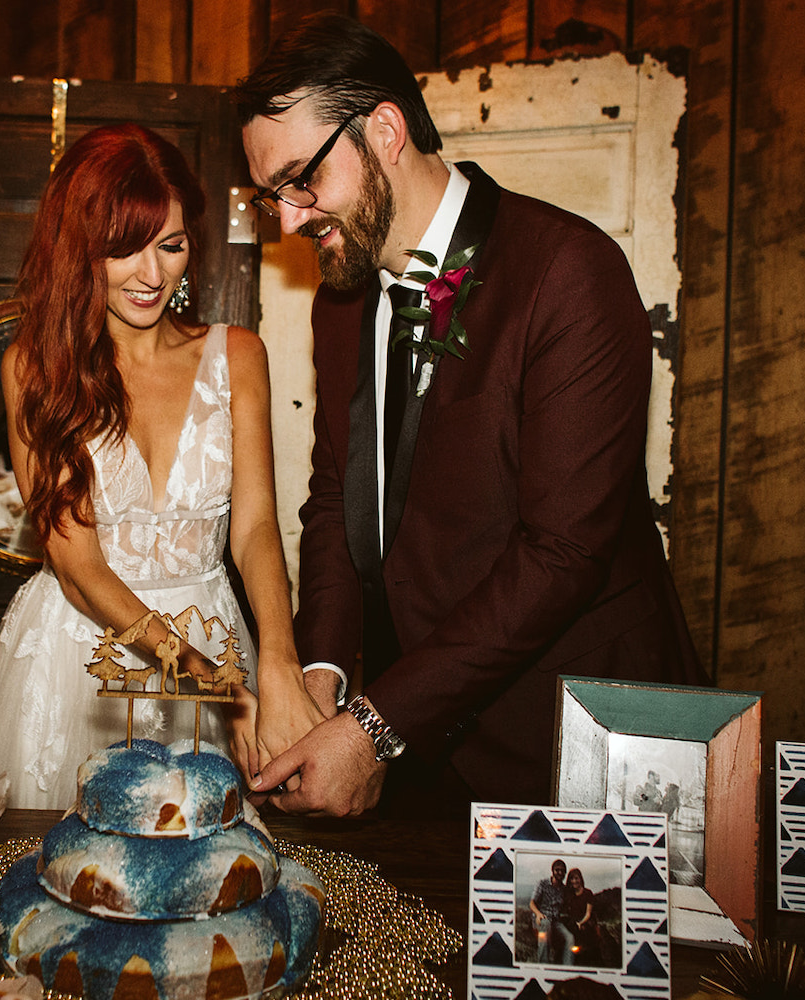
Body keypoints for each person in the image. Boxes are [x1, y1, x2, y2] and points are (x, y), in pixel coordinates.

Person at [233, 12, 705, 817]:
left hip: (568, 740)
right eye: (271, 195)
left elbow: (561, 553)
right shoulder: (338, 306)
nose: (289, 218)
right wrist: (322, 678)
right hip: (412, 744)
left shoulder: (567, 271)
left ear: (383, 128)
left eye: (301, 179)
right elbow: (333, 500)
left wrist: (372, 728)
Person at [0, 124, 324, 810]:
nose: (153, 275)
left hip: (214, 635)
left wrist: (278, 659)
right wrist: (213, 685)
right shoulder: (34, 368)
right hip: (83, 658)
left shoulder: (238, 356)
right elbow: (81, 569)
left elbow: (257, 526)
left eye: (170, 246)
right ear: (80, 250)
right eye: (123, 249)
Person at [529, 859, 574, 965]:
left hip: (556, 921)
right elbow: (532, 903)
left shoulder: (563, 889)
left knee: (570, 938)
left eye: (563, 871)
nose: (560, 873)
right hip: (542, 918)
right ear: (552, 870)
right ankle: (543, 964)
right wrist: (538, 914)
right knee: (546, 927)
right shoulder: (542, 883)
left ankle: (568, 967)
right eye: (557, 870)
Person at [563, 868, 599, 966]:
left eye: (576, 878)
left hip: (586, 920)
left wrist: (581, 923)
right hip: (574, 921)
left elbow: (588, 913)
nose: (574, 881)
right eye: (572, 879)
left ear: (580, 879)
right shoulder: (569, 894)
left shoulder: (588, 893)